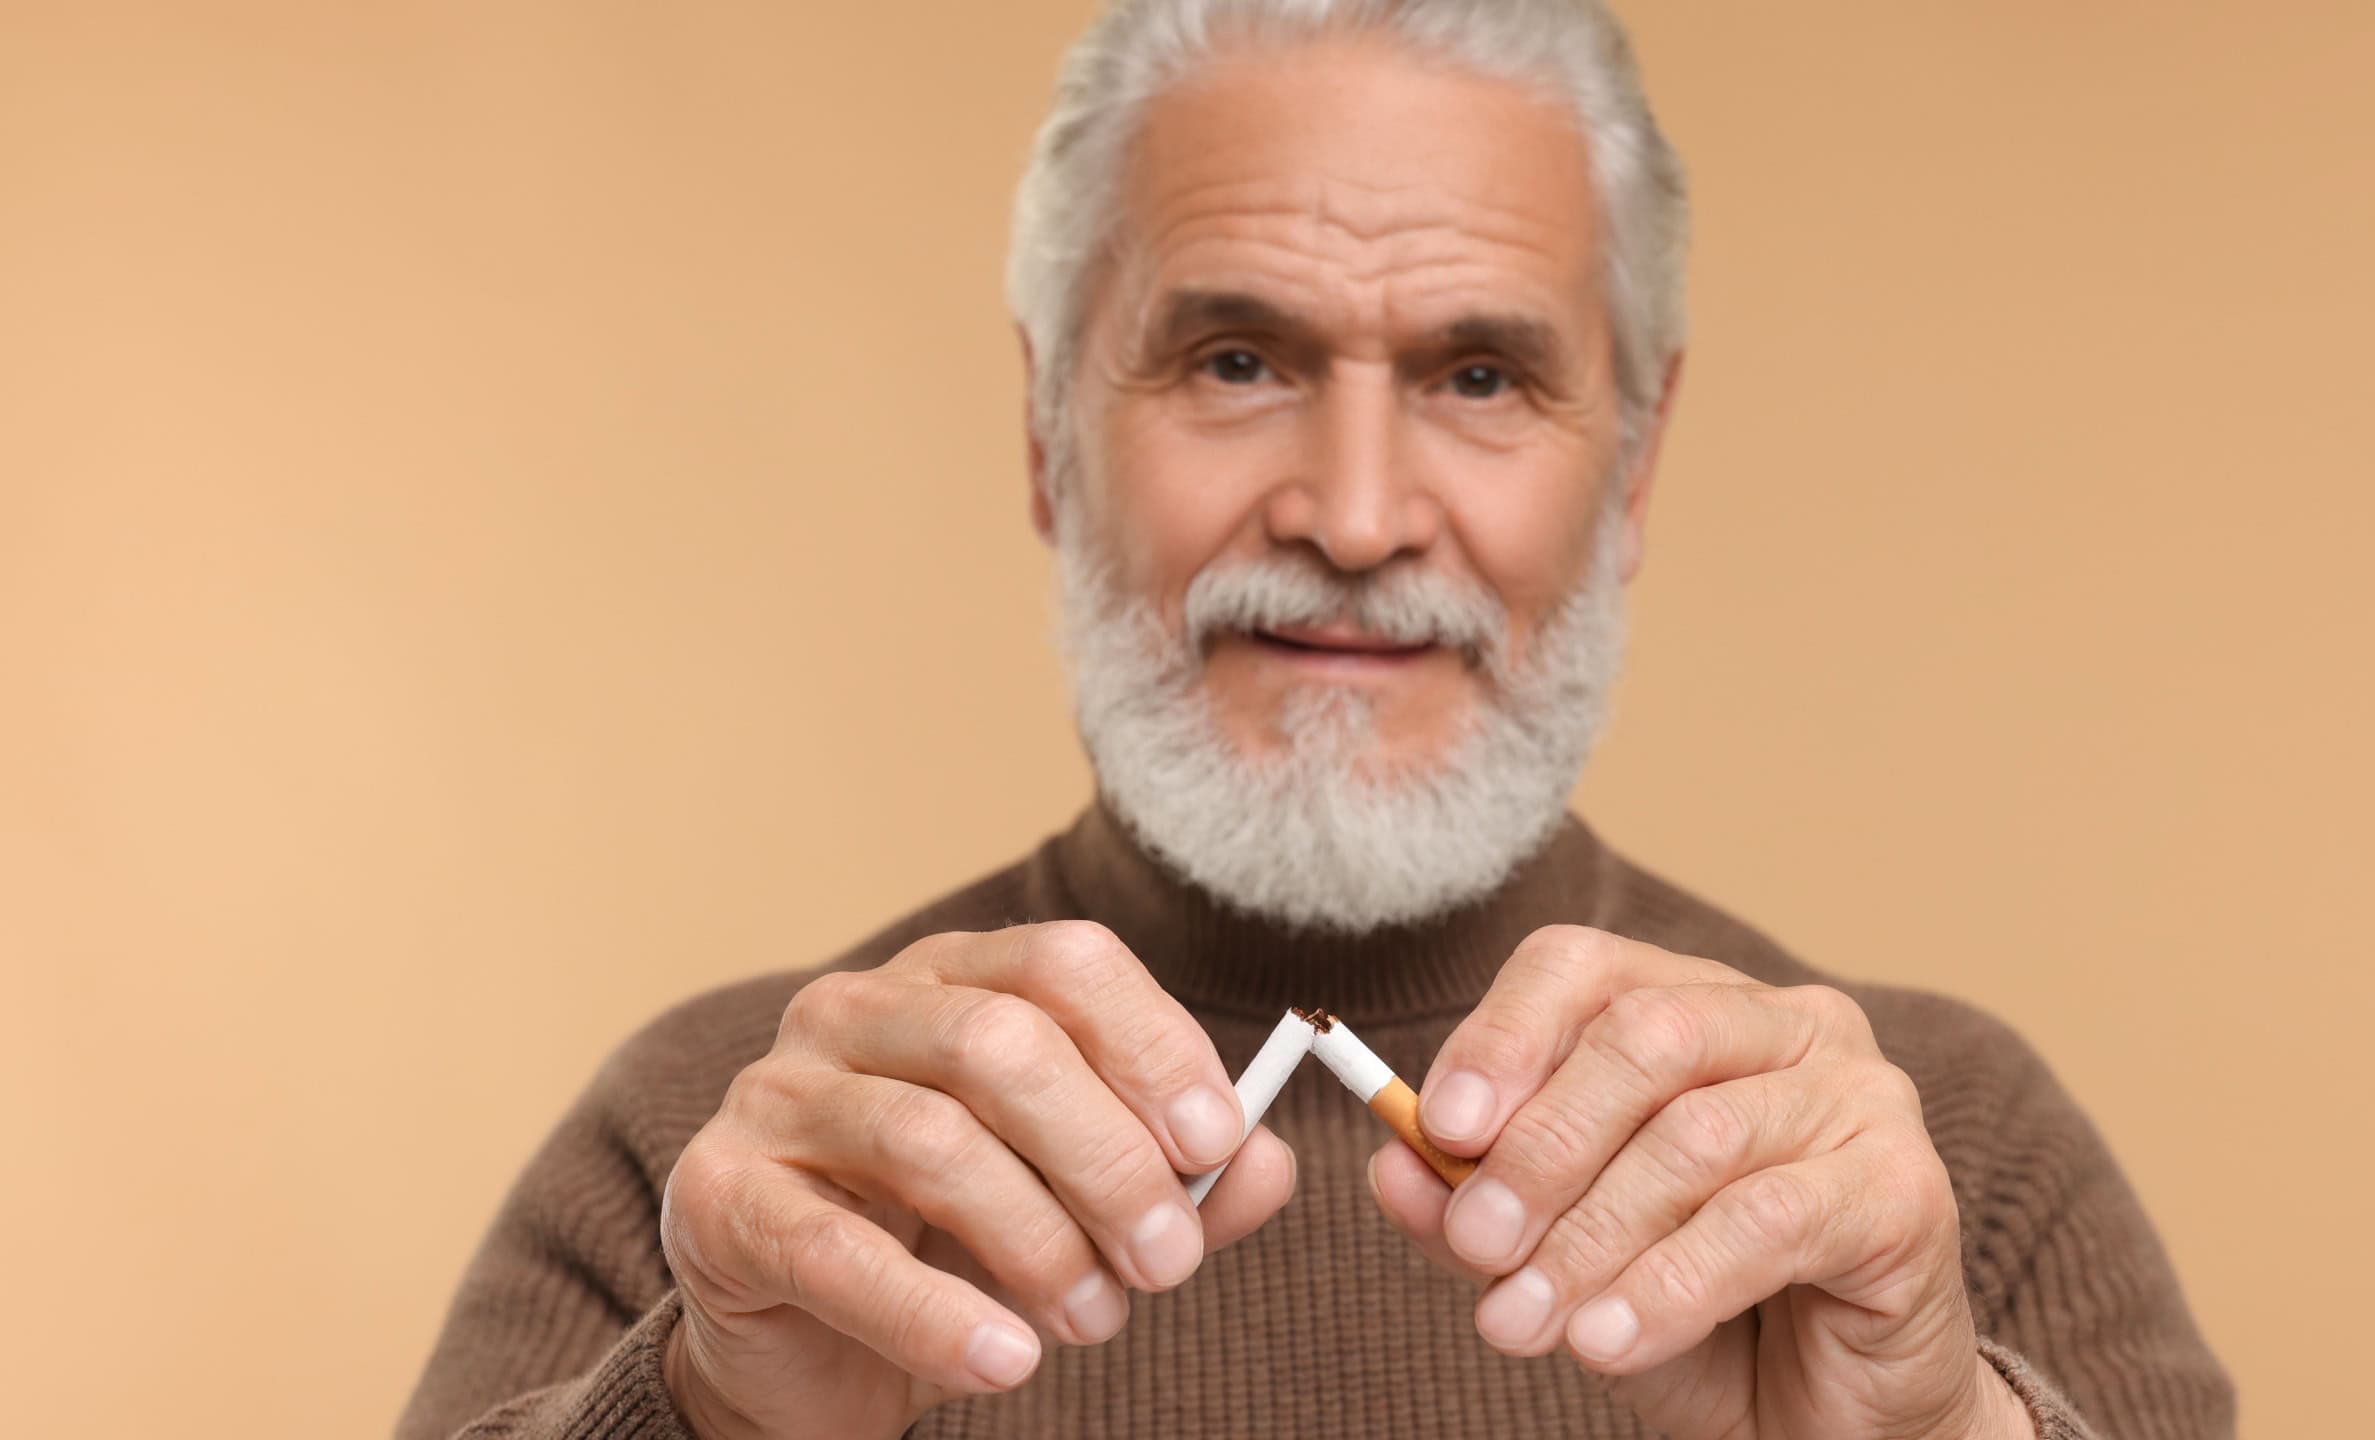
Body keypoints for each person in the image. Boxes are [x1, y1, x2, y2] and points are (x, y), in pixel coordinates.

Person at [398, 2, 2233, 1436]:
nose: (1354, 517)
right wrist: (708, 1415)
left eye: (1482, 374)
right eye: (1237, 361)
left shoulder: (1942, 1164)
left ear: (1639, 463)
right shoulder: (727, 1154)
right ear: (1048, 438)